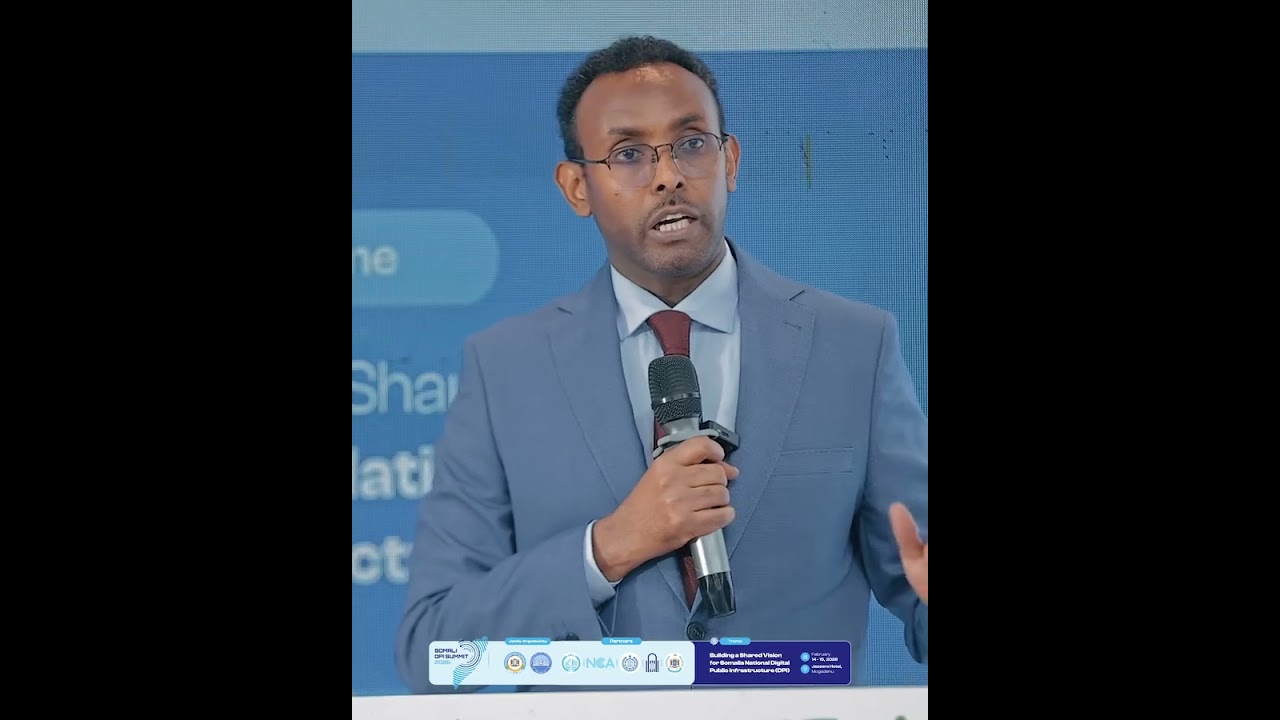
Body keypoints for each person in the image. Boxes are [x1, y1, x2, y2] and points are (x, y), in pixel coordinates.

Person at [395, 35, 927, 694]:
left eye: (692, 143)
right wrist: (609, 547)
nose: (669, 174)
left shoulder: (854, 346)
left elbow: (918, 581)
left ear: (730, 160)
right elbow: (435, 654)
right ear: (577, 187)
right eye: (628, 154)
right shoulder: (505, 369)